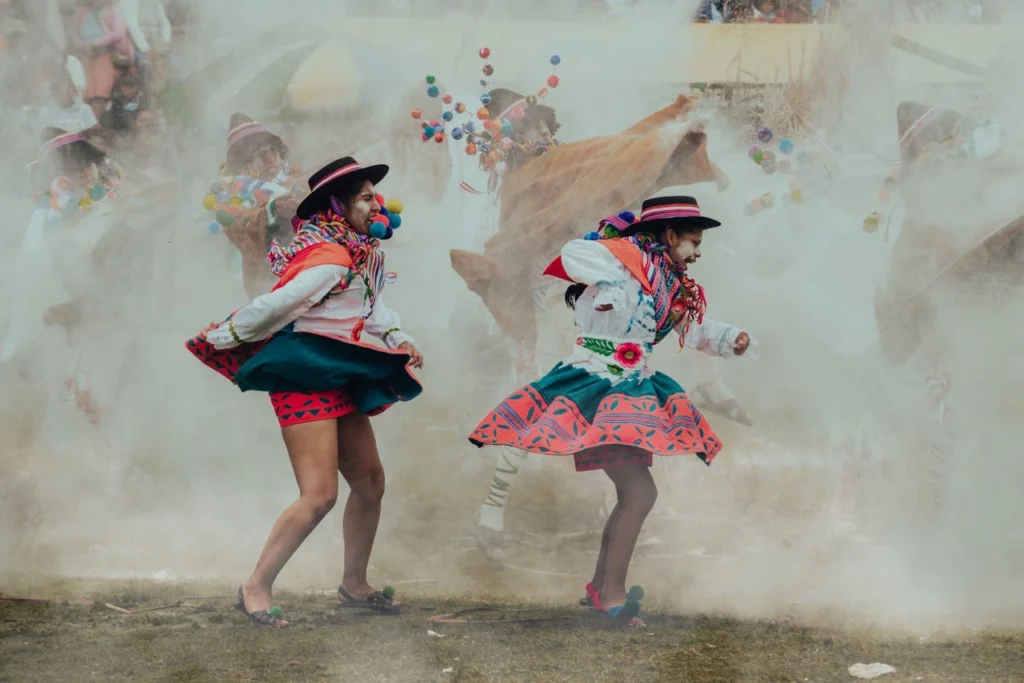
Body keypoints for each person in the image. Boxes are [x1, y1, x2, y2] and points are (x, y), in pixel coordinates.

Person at [468, 196, 750, 626]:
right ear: (669, 235)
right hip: (596, 384)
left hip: (632, 387)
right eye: (693, 241)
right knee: (640, 493)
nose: (697, 252)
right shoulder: (622, 257)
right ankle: (610, 595)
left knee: (635, 493)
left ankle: (601, 587)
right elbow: (572, 253)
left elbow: (691, 331)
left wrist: (732, 339)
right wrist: (613, 282)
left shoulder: (668, 282)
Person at [185, 157, 424, 628]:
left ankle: (354, 584)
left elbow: (372, 308)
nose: (377, 204)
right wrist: (225, 336)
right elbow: (276, 305)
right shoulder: (329, 259)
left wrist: (398, 338)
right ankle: (255, 585)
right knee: (318, 495)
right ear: (337, 205)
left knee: (371, 482)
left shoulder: (360, 253)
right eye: (365, 196)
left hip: (339, 370)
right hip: (303, 373)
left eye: (375, 195)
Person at [204, 113, 307, 298]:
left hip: (305, 270)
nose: (270, 159)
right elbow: (240, 224)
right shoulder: (234, 196)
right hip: (268, 284)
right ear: (245, 166)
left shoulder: (292, 182)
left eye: (273, 151)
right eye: (261, 154)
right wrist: (272, 210)